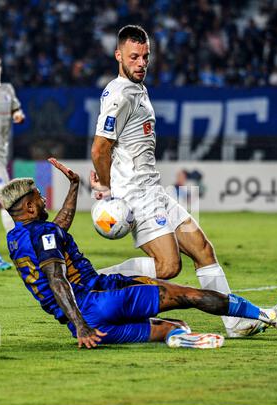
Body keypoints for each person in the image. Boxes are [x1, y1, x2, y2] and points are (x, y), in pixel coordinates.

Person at [0, 159, 277, 349]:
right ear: (31, 208)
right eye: (39, 198)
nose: (45, 198)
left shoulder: (17, 237)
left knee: (171, 328)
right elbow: (57, 280)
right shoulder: (44, 234)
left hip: (93, 327)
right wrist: (81, 323)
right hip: (97, 304)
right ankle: (268, 315)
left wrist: (74, 187)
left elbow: (57, 230)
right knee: (186, 295)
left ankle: (178, 338)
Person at [90, 25, 263, 338]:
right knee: (168, 267)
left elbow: (114, 149)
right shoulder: (118, 95)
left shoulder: (137, 89)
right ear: (118, 56)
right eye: (133, 57)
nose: (141, 62)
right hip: (136, 197)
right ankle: (99, 278)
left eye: (145, 56)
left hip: (155, 192)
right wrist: (104, 187)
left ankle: (234, 323)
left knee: (202, 249)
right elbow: (99, 147)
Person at [0, 53, 25, 271]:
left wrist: (18, 115)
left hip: (0, 155)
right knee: (6, 199)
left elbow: (16, 109)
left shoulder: (7, 91)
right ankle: (18, 249)